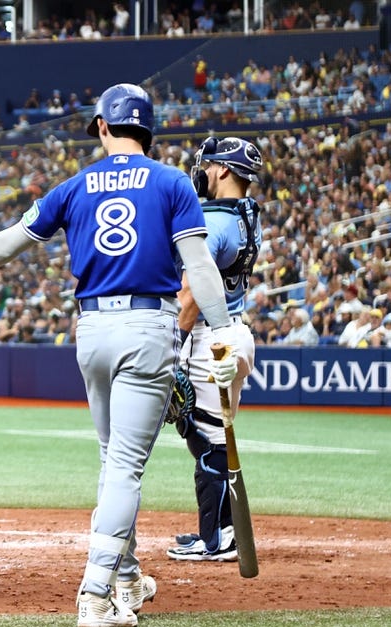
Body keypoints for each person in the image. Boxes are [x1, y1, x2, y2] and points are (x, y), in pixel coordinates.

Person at [0, 84, 241, 627]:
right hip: (146, 325)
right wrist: (223, 331)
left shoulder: (76, 184)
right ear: (148, 130)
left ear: (104, 128)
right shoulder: (173, 181)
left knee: (113, 463)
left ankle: (127, 578)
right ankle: (94, 592)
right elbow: (199, 267)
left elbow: (11, 241)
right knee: (126, 467)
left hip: (92, 330)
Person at [167, 135, 264, 563]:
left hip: (210, 334)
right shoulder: (246, 215)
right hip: (232, 330)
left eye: (208, 166)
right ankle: (218, 530)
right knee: (207, 432)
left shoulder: (215, 222)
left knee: (206, 438)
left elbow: (191, 291)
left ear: (223, 170)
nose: (201, 172)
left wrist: (173, 347)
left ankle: (218, 538)